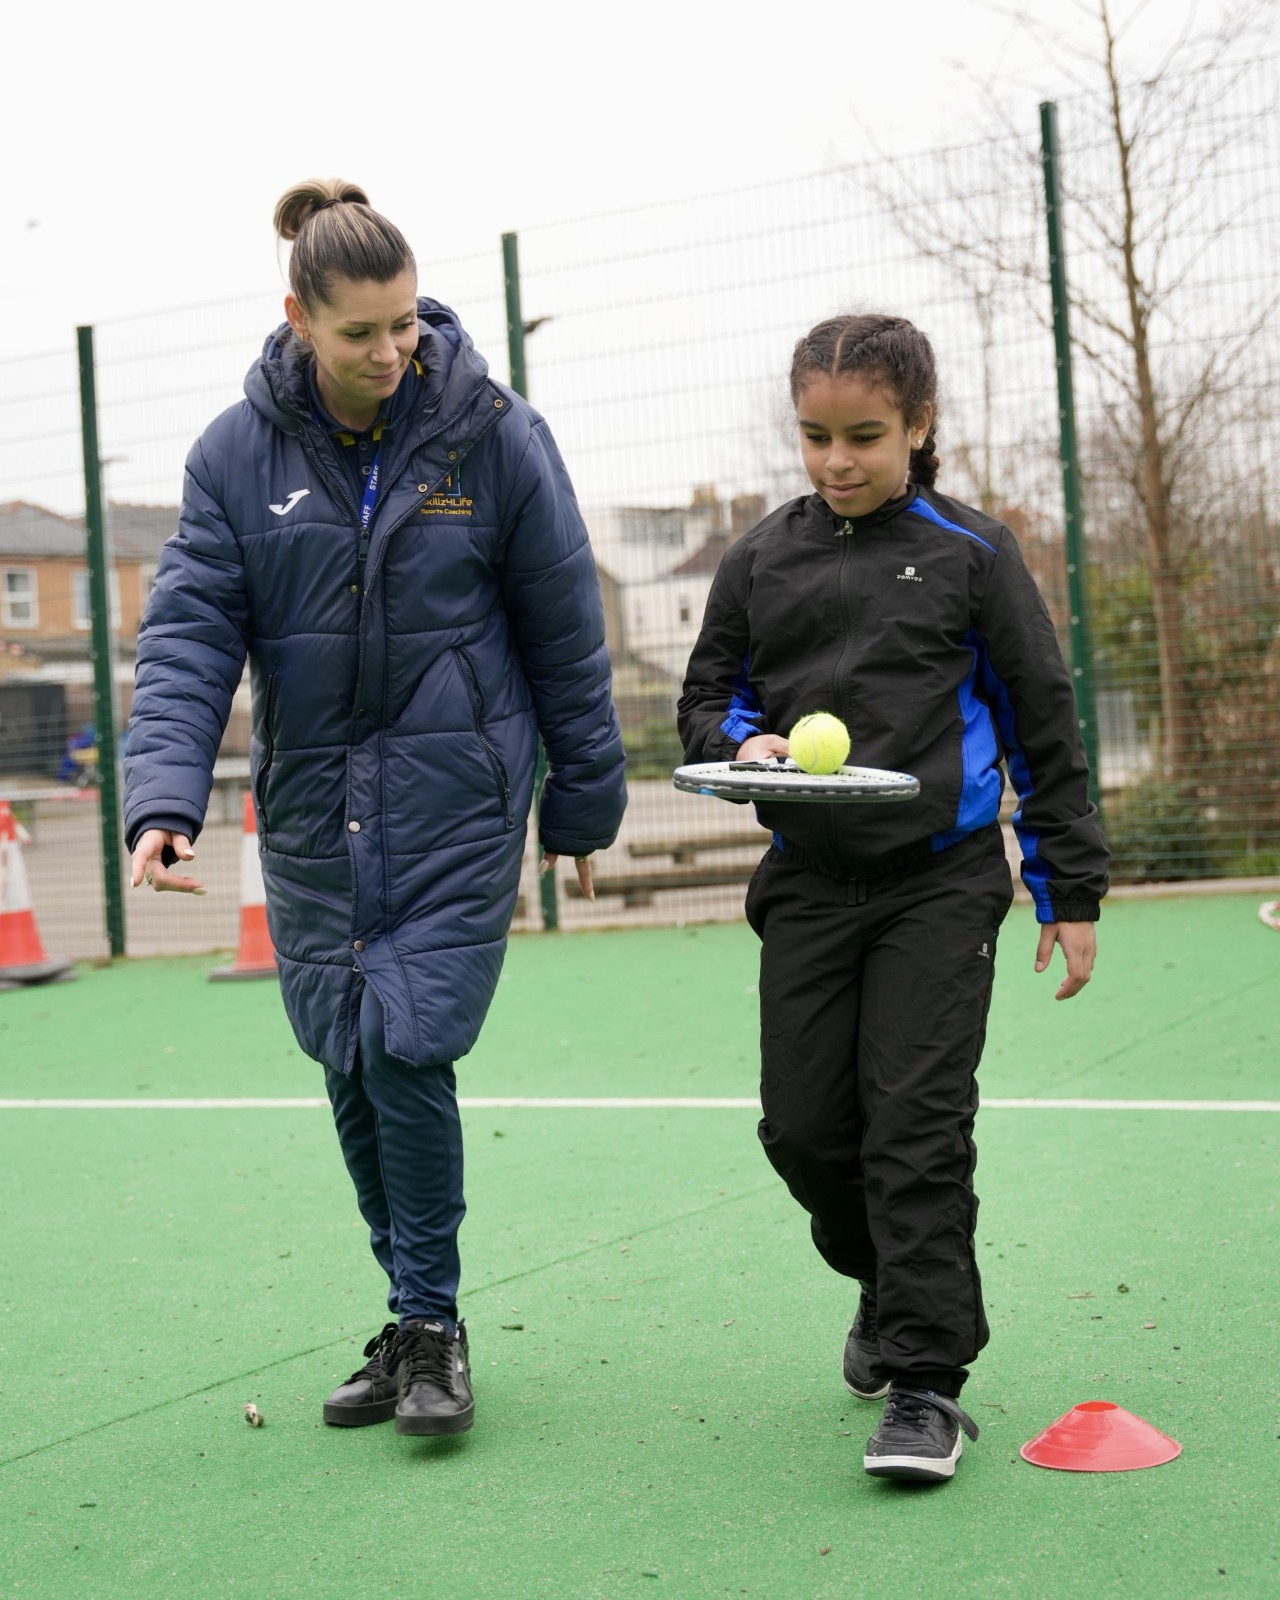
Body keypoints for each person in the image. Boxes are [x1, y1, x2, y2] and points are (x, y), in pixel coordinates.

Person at [124, 178, 626, 1441]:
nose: (393, 353)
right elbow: (188, 637)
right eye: (362, 333)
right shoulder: (233, 456)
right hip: (308, 801)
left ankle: (435, 1323)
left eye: (405, 325)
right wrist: (162, 798)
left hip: (456, 787)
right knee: (344, 1053)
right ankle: (405, 1320)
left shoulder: (490, 431)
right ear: (298, 317)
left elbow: (566, 625)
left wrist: (583, 794)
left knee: (407, 1041)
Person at [678, 313, 1108, 1484]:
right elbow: (705, 697)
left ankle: (924, 1381)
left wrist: (1070, 887)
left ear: (919, 427)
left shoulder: (973, 552)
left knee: (915, 1123)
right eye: (814, 436)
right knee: (806, 1131)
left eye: (864, 435)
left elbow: (1041, 719)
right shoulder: (760, 556)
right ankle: (882, 1280)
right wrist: (741, 741)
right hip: (809, 883)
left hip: (940, 883)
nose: (835, 460)